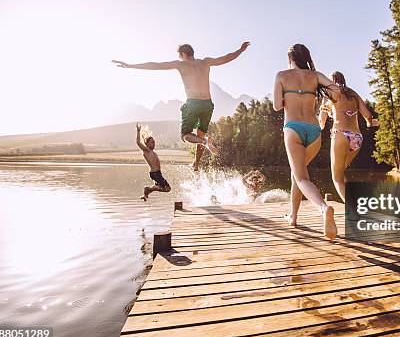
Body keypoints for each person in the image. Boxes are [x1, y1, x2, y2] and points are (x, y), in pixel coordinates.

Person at [113, 41, 250, 171]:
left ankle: (205, 141)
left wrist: (130, 65)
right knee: (200, 136)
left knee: (185, 136)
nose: (179, 58)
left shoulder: (181, 64)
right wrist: (241, 50)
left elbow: (156, 65)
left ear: (183, 54)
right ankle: (196, 163)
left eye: (180, 55)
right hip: (207, 104)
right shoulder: (205, 62)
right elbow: (225, 58)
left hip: (193, 104)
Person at [272, 43, 339, 240]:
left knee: (302, 178)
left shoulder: (281, 75)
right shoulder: (315, 75)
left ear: (290, 59)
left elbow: (277, 106)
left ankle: (323, 208)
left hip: (293, 129)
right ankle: (292, 216)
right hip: (314, 131)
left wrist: (289, 96)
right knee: (298, 174)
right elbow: (336, 92)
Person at [319, 71, 378, 202]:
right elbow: (368, 115)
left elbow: (322, 121)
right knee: (341, 172)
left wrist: (320, 125)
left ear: (331, 81)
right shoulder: (353, 93)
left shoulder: (330, 92)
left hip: (340, 135)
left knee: (337, 178)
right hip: (357, 138)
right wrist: (369, 123)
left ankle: (354, 210)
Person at [135, 123, 171, 201]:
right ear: (147, 144)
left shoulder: (152, 152)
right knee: (167, 188)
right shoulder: (147, 151)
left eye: (154, 142)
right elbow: (138, 143)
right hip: (155, 173)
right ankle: (148, 189)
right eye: (152, 142)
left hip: (157, 173)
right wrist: (138, 131)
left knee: (163, 187)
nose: (154, 144)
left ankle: (146, 193)